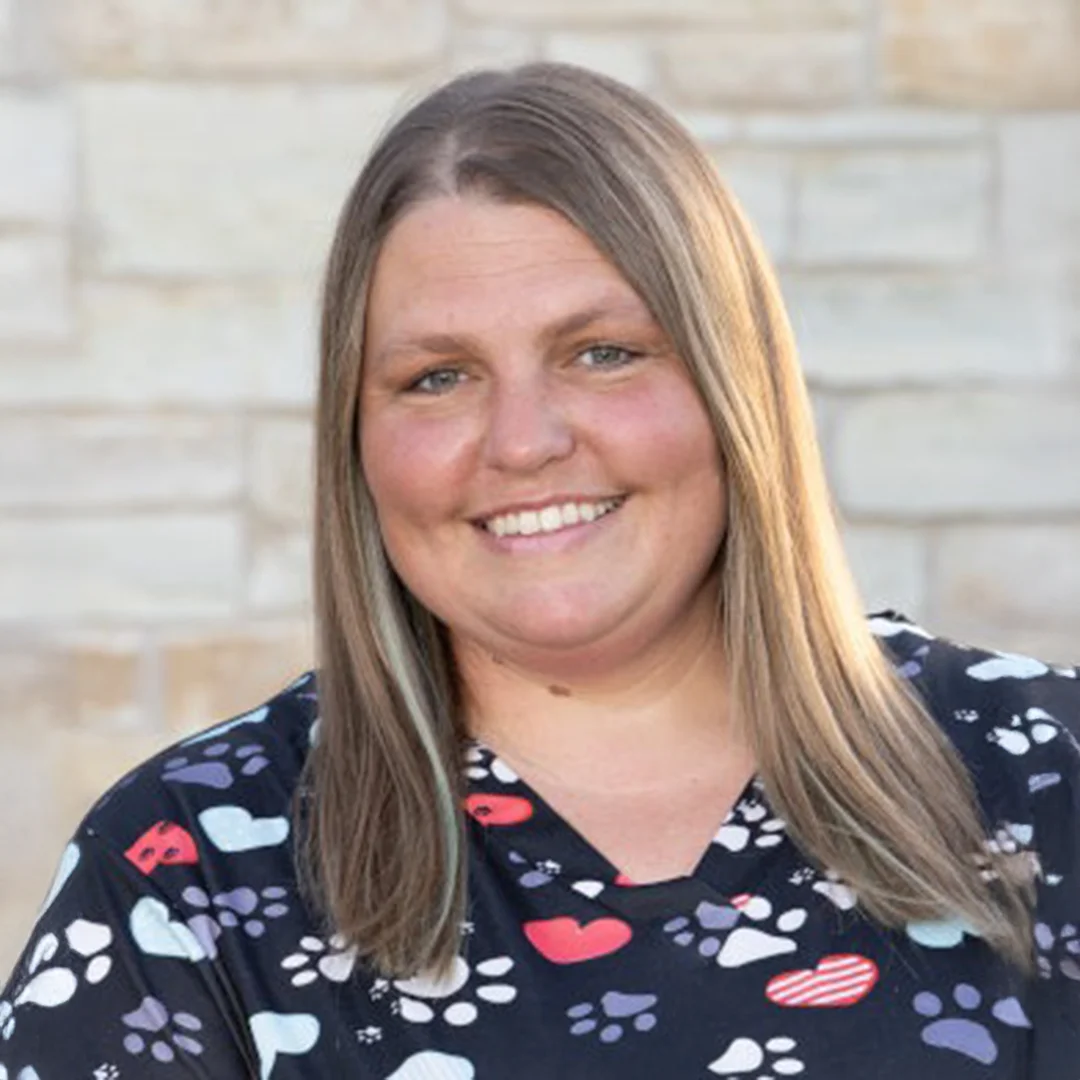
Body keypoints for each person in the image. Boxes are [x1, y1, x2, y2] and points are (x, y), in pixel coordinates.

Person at [1, 62, 1077, 1080]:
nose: (523, 441)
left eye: (602, 352)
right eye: (437, 377)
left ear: (732, 386)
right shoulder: (188, 872)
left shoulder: (1050, 781)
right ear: (357, 444)